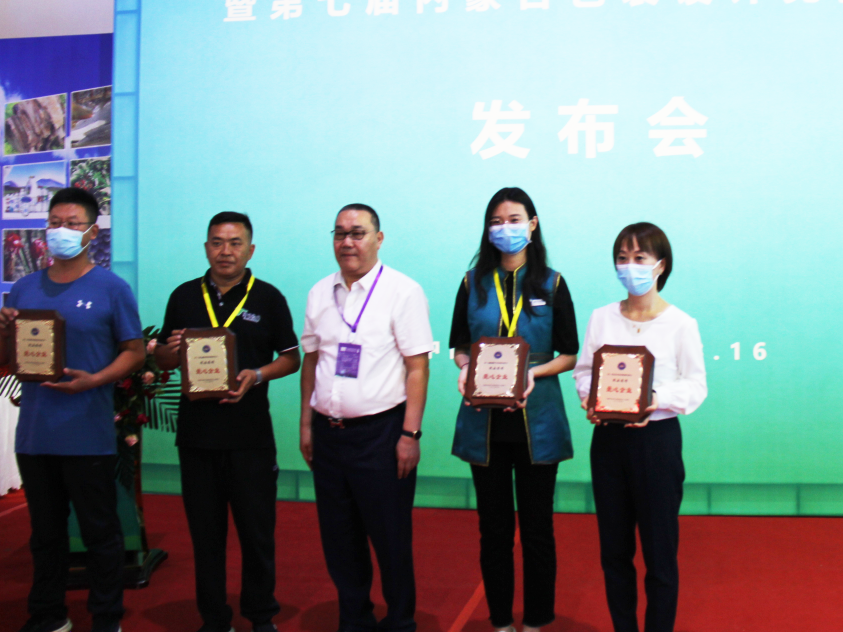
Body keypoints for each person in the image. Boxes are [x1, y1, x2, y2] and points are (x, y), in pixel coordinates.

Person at [0, 187, 145, 632]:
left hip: (88, 433)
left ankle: (106, 617)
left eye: (72, 223)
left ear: (92, 232)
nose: (61, 230)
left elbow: (134, 351)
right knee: (45, 534)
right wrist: (0, 329)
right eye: (55, 222)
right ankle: (49, 615)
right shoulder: (24, 287)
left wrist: (95, 380)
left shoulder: (111, 288)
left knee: (100, 533)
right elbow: (1, 358)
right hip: (36, 433)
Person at [155, 211, 301, 632]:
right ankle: (214, 619)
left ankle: (261, 615)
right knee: (206, 538)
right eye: (217, 242)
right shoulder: (184, 296)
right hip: (197, 438)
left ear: (250, 250)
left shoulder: (268, 298)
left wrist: (257, 375)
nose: (226, 251)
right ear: (206, 248)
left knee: (257, 535)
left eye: (235, 243)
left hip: (250, 438)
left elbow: (291, 358)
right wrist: (170, 351)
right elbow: (162, 358)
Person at [299, 204, 433, 632]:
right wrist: (306, 424)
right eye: (339, 233)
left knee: (390, 538)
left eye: (357, 233)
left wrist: (410, 434)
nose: (347, 242)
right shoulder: (320, 292)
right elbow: (311, 361)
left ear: (378, 238)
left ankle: (400, 621)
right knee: (339, 539)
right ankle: (354, 620)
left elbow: (417, 367)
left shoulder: (403, 291)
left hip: (381, 434)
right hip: (328, 433)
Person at [450, 187, 578, 632]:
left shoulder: (553, 283)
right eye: (497, 221)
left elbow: (570, 354)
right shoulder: (472, 283)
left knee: (538, 529)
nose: (505, 228)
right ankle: (501, 621)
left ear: (532, 224)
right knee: (494, 530)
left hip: (536, 418)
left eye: (514, 219)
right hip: (483, 419)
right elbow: (460, 346)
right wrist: (465, 368)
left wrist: (533, 374)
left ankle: (538, 620)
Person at [573, 222, 707, 632]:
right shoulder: (601, 317)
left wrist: (656, 398)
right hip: (608, 441)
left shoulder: (681, 323)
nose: (629, 266)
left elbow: (696, 386)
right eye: (622, 258)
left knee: (659, 555)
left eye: (639, 258)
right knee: (614, 553)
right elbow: (584, 372)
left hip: (656, 443)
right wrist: (590, 399)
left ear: (660, 265)